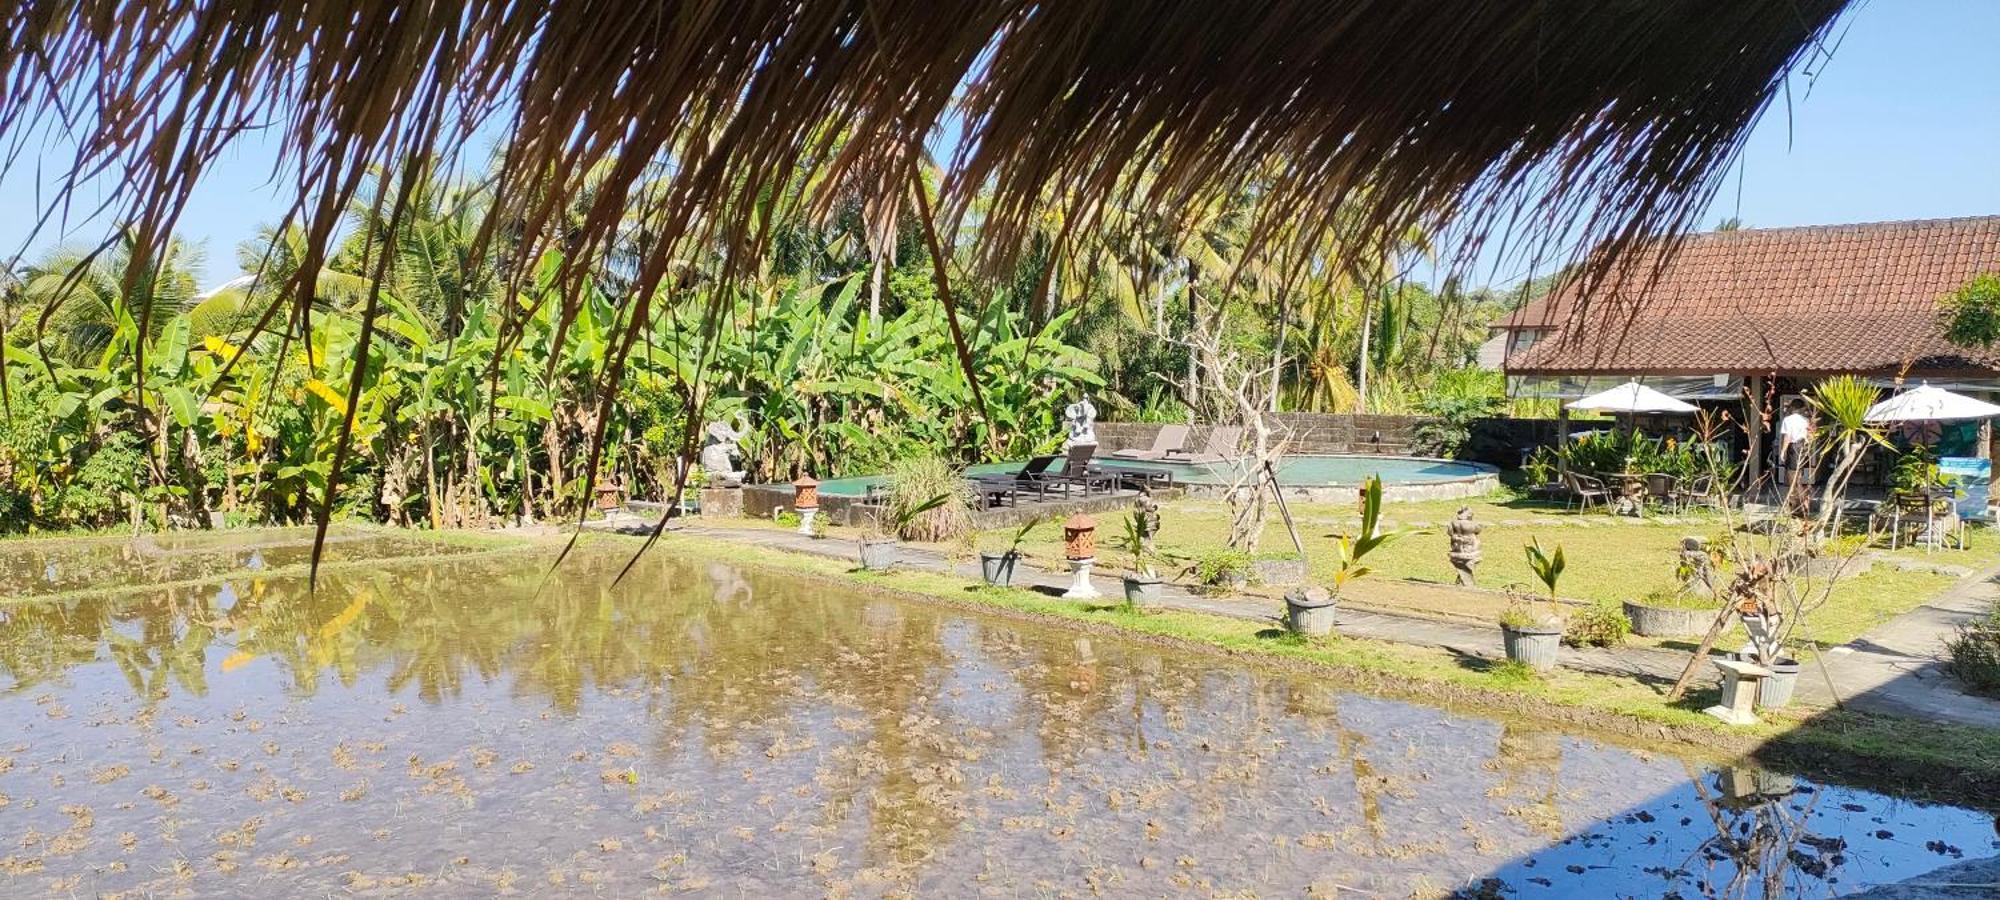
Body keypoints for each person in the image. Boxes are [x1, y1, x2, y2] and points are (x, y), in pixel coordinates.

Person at [1776, 398, 1812, 508]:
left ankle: (1797, 503)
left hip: (1794, 447)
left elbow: (1787, 437)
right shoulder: (1806, 420)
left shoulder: (1788, 419)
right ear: (1801, 408)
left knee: (1792, 477)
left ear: (1792, 407)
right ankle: (1800, 502)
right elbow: (1809, 436)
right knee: (1799, 476)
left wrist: (1783, 451)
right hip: (1803, 448)